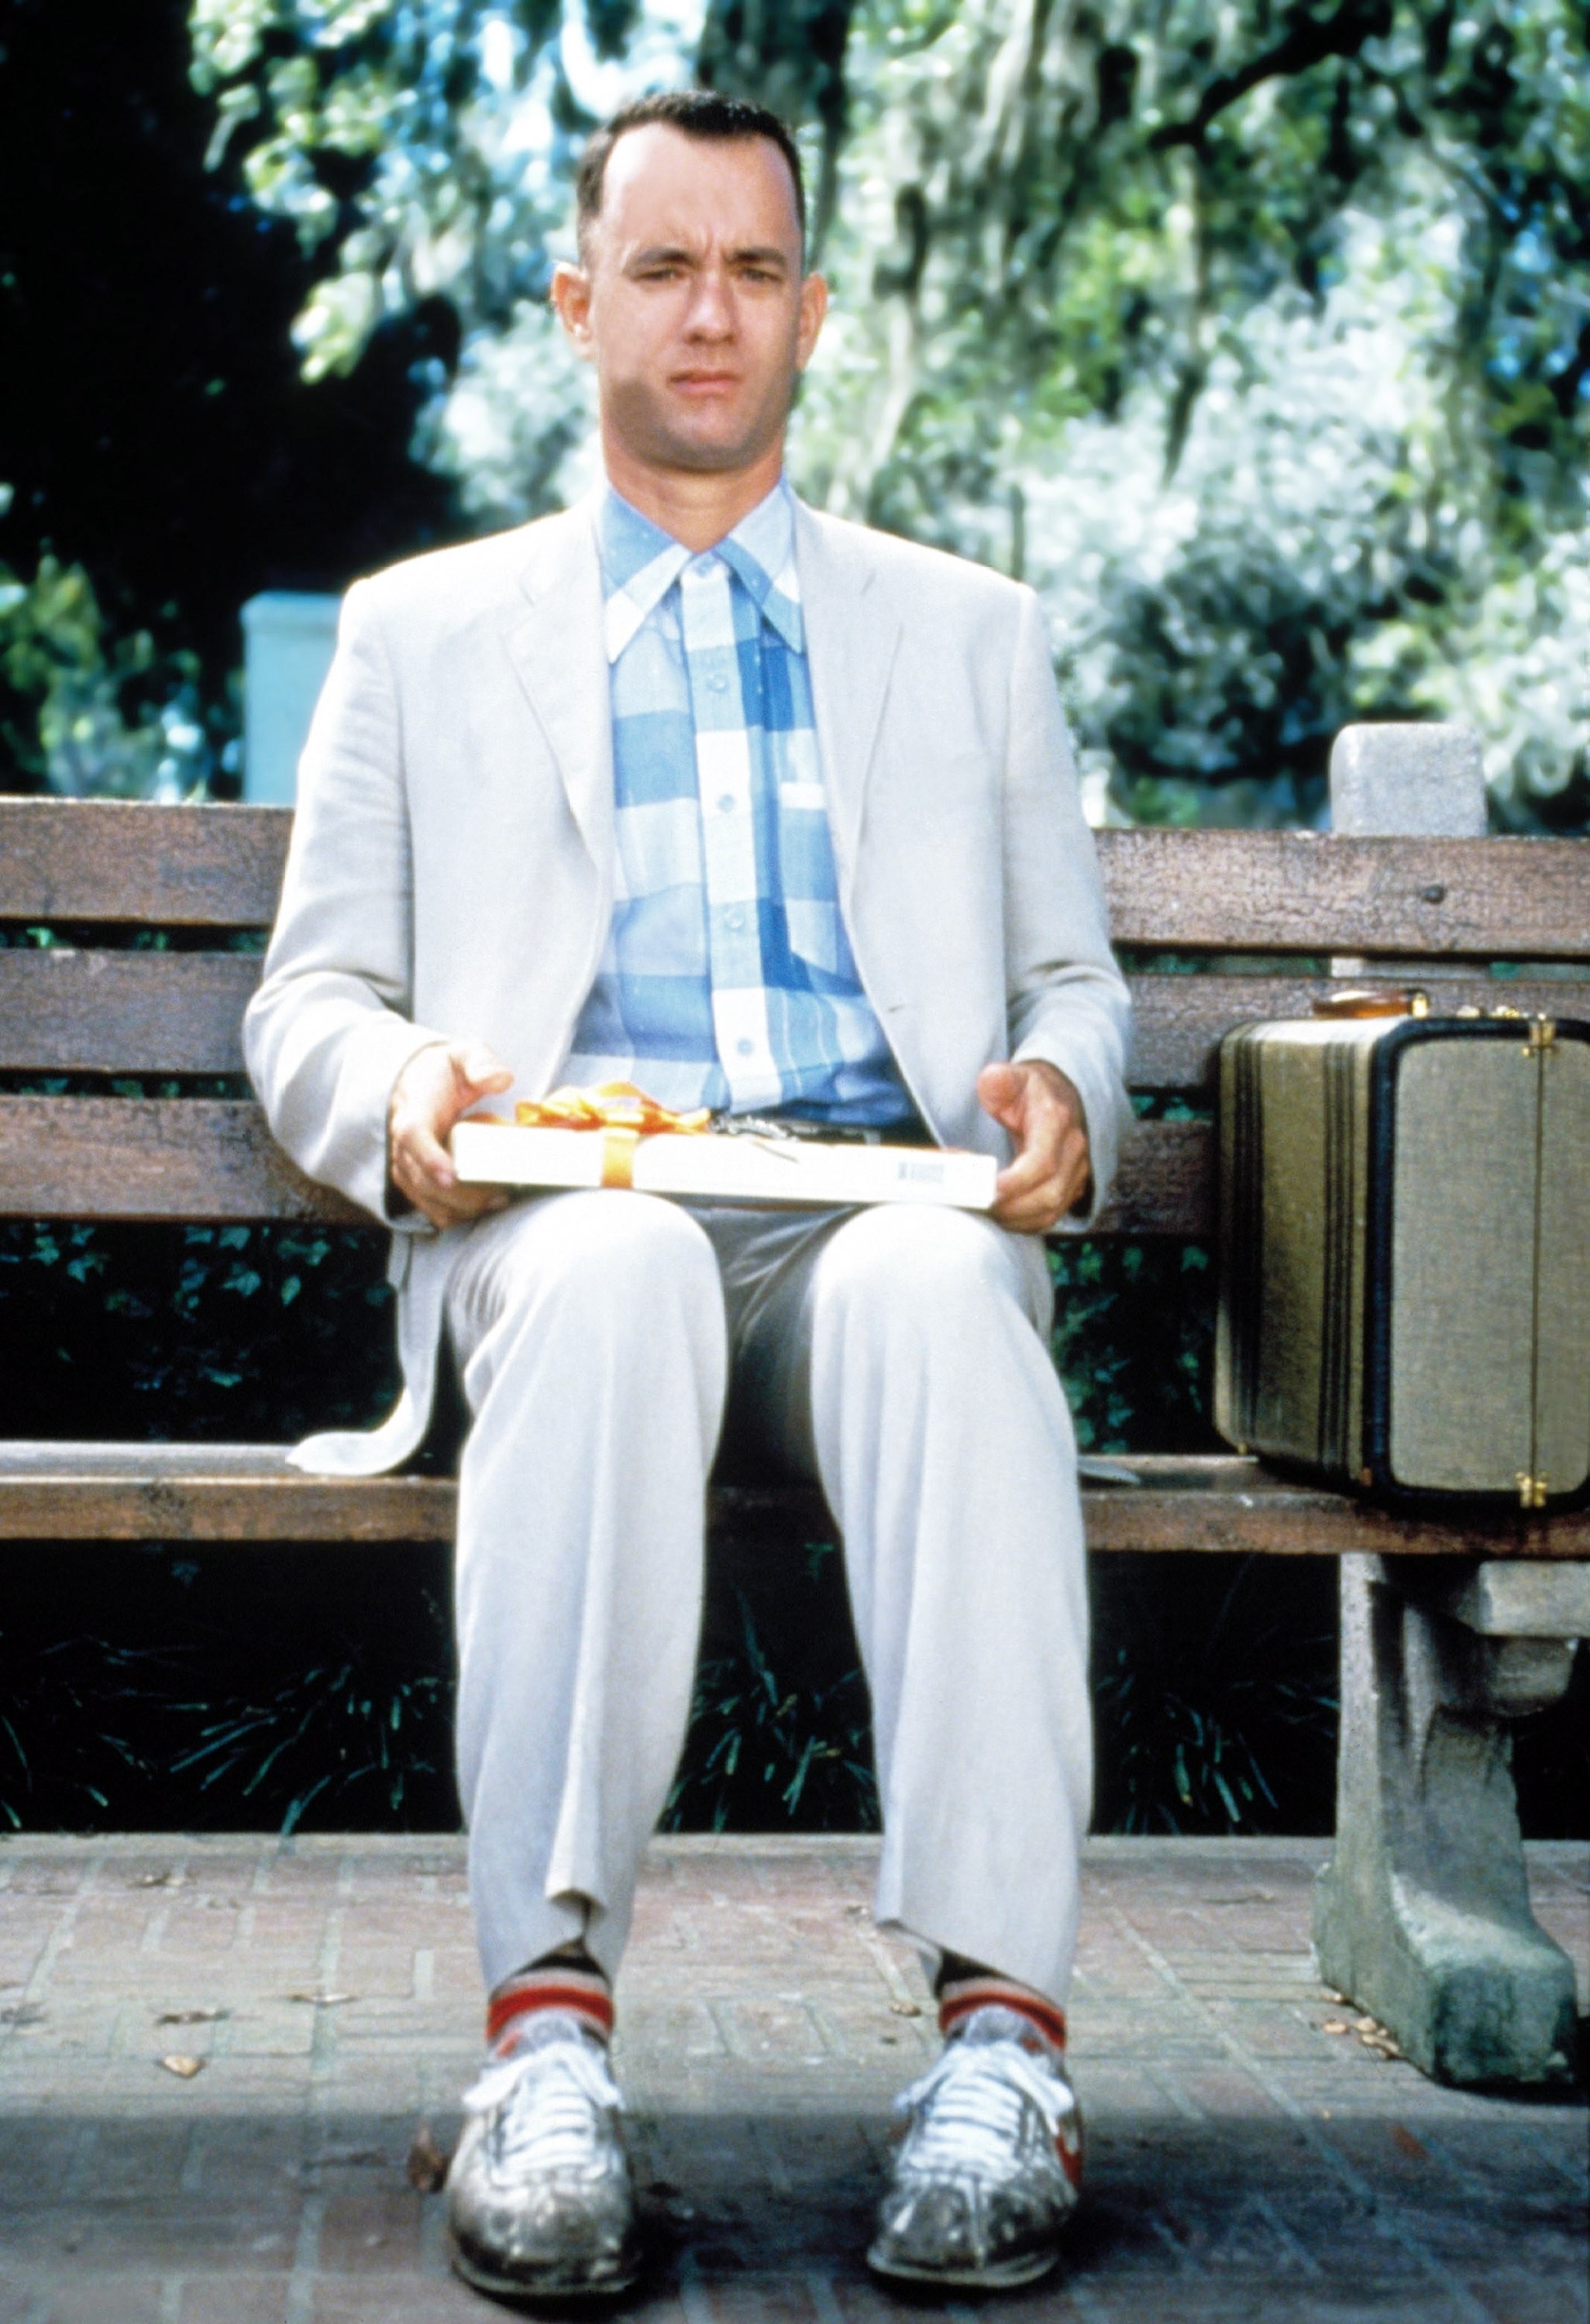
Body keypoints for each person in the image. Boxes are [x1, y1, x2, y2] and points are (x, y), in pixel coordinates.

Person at [246, 88, 1131, 2302]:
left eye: (750, 269)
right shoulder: (422, 633)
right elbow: (309, 1002)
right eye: (660, 267)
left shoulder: (970, 632)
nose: (708, 312)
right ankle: (543, 2056)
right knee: (626, 1255)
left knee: (940, 1287)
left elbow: (1065, 980)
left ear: (813, 312)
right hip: (566, 1233)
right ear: (578, 305)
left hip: (873, 1228)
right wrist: (404, 1089)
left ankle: (1001, 2054)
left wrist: (1061, 1090)